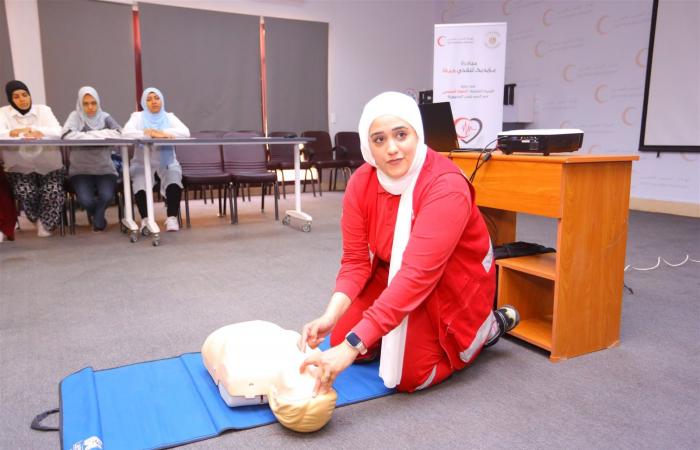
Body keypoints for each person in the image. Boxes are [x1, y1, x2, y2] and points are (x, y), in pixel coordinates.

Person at [298, 91, 519, 395]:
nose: (391, 149)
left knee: (409, 376)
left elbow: (417, 276)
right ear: (368, 147)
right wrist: (331, 316)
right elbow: (355, 262)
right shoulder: (361, 183)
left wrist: (351, 347)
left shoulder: (446, 187)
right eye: (379, 140)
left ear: (417, 134)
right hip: (393, 273)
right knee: (340, 339)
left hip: (452, 282)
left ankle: (486, 327)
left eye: (401, 135)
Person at [201, 321, 337, 432]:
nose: (306, 371)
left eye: (296, 382)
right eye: (314, 379)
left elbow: (232, 347)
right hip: (269, 327)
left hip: (221, 337)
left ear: (274, 395)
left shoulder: (243, 372)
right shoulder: (316, 361)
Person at [0, 80, 63, 237]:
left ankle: (46, 223)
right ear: (10, 99)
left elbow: (58, 131)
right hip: (19, 167)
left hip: (49, 165)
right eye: (16, 96)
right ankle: (37, 218)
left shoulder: (43, 110)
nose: (22, 99)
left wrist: (34, 130)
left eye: (25, 95)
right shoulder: (3, 113)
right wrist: (20, 132)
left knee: (53, 191)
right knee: (26, 192)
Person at [123, 87, 189, 232]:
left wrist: (162, 133)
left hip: (166, 161)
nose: (154, 102)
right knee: (140, 180)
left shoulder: (169, 116)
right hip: (142, 162)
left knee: (173, 176)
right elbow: (126, 133)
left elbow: (185, 132)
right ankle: (146, 219)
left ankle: (172, 218)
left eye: (157, 98)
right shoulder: (137, 117)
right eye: (149, 99)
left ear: (162, 100)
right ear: (144, 103)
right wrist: (149, 134)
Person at [62, 86, 121, 232]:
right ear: (80, 104)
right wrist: (99, 135)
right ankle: (99, 217)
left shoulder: (105, 117)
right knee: (84, 200)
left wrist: (86, 136)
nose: (90, 107)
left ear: (98, 103)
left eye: (93, 103)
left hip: (104, 168)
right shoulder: (75, 117)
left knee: (107, 196)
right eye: (86, 103)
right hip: (80, 170)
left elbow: (120, 132)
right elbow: (66, 135)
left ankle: (98, 218)